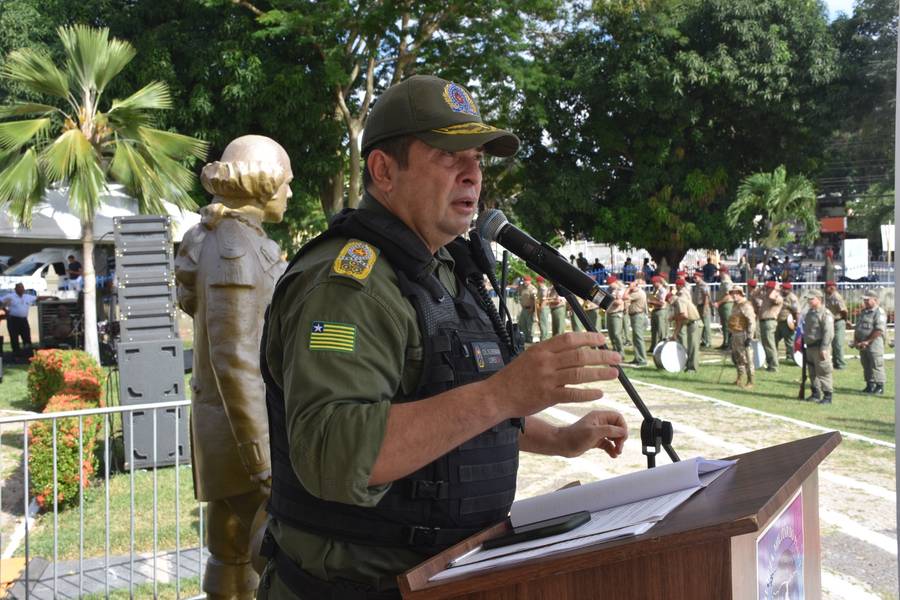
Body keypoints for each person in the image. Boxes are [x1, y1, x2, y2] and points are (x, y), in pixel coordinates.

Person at [257, 75, 628, 599]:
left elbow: (455, 411)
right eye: (449, 156)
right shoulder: (347, 286)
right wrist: (503, 392)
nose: (473, 174)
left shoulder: (444, 269)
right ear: (384, 171)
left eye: (477, 158)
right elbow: (333, 455)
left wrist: (562, 439)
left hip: (448, 577)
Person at [174, 135, 293, 599]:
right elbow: (235, 359)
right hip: (242, 435)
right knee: (269, 553)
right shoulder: (234, 248)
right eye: (286, 181)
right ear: (262, 181)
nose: (290, 193)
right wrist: (262, 458)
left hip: (227, 432)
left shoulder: (232, 238)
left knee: (230, 548)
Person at [802, 289, 834, 404]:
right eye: (809, 299)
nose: (809, 301)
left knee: (823, 371)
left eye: (812, 299)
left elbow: (828, 332)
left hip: (820, 347)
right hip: (810, 347)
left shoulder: (825, 314)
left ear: (819, 299)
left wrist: (824, 348)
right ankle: (815, 393)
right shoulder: (810, 313)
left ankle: (827, 395)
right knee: (812, 372)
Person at [852, 290, 887, 394]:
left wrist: (868, 341)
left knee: (876, 363)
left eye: (867, 300)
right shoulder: (864, 312)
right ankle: (869, 385)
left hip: (874, 343)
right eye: (864, 300)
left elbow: (879, 330)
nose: (865, 302)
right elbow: (858, 327)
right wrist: (856, 340)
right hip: (862, 343)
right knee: (866, 364)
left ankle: (879, 386)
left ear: (875, 300)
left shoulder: (879, 312)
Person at [727, 286, 756, 389]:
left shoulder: (746, 305)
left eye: (736, 293)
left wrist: (749, 337)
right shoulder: (735, 305)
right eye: (732, 293)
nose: (734, 295)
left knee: (746, 358)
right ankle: (739, 378)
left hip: (743, 334)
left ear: (741, 294)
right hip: (735, 334)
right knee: (737, 357)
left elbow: (751, 321)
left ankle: (750, 381)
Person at [672, 278, 701, 371]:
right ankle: (689, 365)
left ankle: (692, 367)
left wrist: (674, 318)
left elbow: (683, 315)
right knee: (690, 345)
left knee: (693, 346)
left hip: (694, 322)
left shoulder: (680, 298)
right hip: (690, 323)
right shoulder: (681, 296)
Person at [1, 283, 37, 356]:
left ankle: (27, 353)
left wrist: (52, 297)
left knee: (26, 336)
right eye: (19, 288)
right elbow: (0, 302)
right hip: (13, 320)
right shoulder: (10, 296)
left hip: (23, 320)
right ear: (16, 289)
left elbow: (38, 298)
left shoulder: (27, 297)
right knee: (14, 337)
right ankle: (16, 354)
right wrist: (5, 310)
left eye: (22, 288)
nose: (21, 290)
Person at [757, 281, 783, 371]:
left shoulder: (778, 297)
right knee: (765, 344)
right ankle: (770, 364)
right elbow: (754, 295)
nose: (767, 289)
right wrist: (762, 288)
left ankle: (774, 365)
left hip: (770, 321)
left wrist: (774, 289)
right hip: (763, 321)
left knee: (770, 344)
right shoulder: (766, 297)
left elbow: (772, 297)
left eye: (768, 288)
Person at [824, 281, 848, 369]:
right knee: (833, 343)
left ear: (832, 288)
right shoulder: (828, 296)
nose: (825, 289)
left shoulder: (836, 297)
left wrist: (845, 320)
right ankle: (835, 363)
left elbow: (844, 311)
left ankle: (841, 364)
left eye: (826, 287)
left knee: (838, 343)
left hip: (839, 321)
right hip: (831, 322)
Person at [774, 282, 799, 365]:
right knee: (774, 340)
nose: (784, 290)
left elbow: (796, 311)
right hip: (778, 321)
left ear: (790, 289)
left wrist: (796, 323)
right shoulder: (779, 295)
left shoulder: (792, 298)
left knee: (789, 342)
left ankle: (795, 358)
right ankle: (774, 357)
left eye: (786, 289)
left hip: (787, 321)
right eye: (783, 289)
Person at [626, 279, 648, 365]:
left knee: (638, 338)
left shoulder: (638, 293)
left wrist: (628, 289)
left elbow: (624, 297)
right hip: (635, 316)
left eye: (630, 285)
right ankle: (637, 357)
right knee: (635, 338)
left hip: (637, 316)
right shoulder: (636, 292)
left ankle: (642, 359)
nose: (628, 286)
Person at [605, 274, 626, 356]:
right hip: (610, 313)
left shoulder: (619, 290)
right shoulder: (609, 290)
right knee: (611, 334)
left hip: (616, 313)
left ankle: (621, 352)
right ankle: (615, 349)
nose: (609, 285)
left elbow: (618, 302)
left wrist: (610, 300)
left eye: (609, 283)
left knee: (617, 334)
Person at [714, 266, 733, 349]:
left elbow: (728, 295)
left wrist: (718, 303)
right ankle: (725, 342)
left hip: (726, 305)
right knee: (724, 325)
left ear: (724, 272)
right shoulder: (724, 282)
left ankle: (728, 343)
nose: (719, 274)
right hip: (723, 305)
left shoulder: (727, 282)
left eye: (720, 272)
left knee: (727, 325)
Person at [691, 272, 711, 347]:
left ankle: (708, 341)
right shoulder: (697, 285)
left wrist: (705, 308)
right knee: (701, 324)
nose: (694, 279)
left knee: (705, 324)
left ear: (700, 277)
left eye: (696, 278)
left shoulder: (704, 285)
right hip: (699, 306)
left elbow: (706, 296)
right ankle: (703, 340)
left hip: (704, 306)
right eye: (694, 278)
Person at [648, 275, 669, 350]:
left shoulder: (662, 290)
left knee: (661, 331)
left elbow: (662, 303)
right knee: (653, 331)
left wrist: (650, 301)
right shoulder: (655, 290)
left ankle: (663, 348)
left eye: (653, 283)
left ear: (657, 282)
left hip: (661, 311)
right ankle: (653, 347)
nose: (652, 284)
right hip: (655, 310)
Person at [517, 276, 538, 344]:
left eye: (526, 280)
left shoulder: (532, 288)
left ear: (530, 281)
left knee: (529, 325)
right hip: (524, 309)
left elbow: (534, 300)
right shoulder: (522, 287)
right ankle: (525, 339)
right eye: (524, 280)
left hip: (530, 309)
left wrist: (532, 308)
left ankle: (530, 339)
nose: (525, 282)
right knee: (522, 324)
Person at [536, 275, 552, 341]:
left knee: (543, 323)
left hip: (543, 307)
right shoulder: (540, 288)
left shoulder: (543, 288)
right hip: (541, 306)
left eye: (537, 282)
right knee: (541, 323)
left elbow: (544, 299)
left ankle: (544, 338)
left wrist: (541, 308)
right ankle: (543, 337)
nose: (537, 283)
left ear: (539, 282)